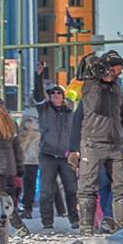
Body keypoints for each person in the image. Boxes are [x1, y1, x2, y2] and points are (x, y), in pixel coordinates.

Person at [69, 50, 123, 235]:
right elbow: (95, 106)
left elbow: (121, 113)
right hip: (92, 142)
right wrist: (98, 80)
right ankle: (86, 227)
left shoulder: (116, 89)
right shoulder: (90, 87)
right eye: (117, 69)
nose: (119, 73)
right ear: (106, 69)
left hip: (115, 143)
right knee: (88, 186)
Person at [34, 62, 78, 230]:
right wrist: (39, 75)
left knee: (71, 189)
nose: (55, 96)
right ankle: (47, 221)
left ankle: (74, 218)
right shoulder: (45, 109)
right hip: (48, 154)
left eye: (58, 94)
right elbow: (38, 94)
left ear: (63, 97)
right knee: (46, 190)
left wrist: (76, 152)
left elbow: (76, 134)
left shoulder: (71, 114)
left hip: (66, 156)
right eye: (53, 94)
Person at [0, 98, 30, 236]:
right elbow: (17, 149)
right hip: (10, 168)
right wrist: (19, 168)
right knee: (9, 201)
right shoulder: (11, 125)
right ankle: (18, 227)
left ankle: (17, 227)